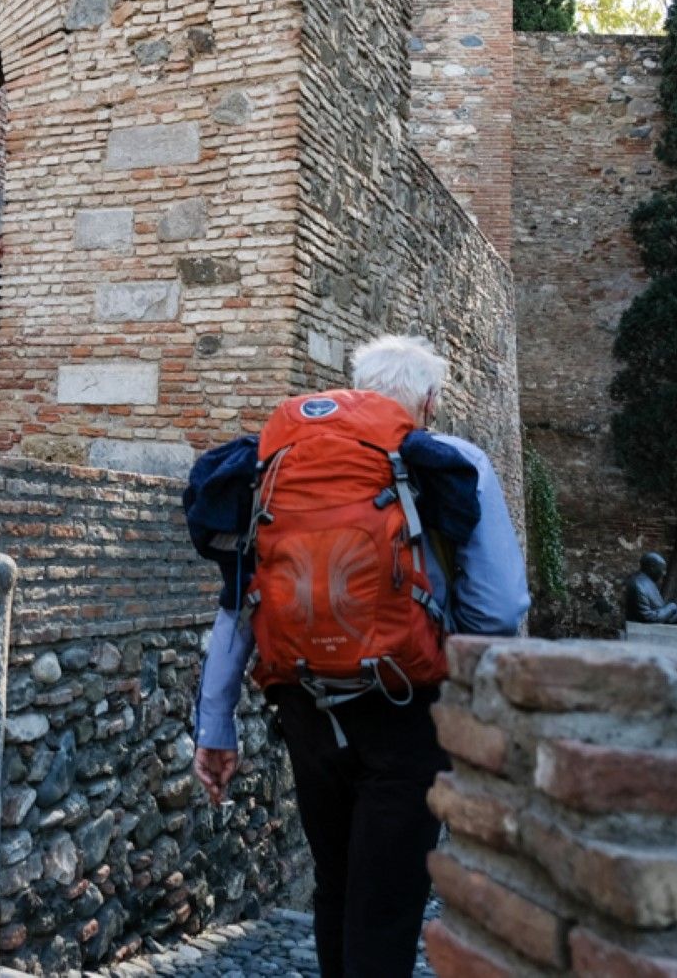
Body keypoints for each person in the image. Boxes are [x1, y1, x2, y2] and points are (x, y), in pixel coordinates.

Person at [191, 335, 529, 978]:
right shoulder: (450, 461)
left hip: (305, 704)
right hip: (408, 704)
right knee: (390, 902)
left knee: (335, 883)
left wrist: (215, 724)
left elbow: (239, 602)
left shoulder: (277, 463)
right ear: (427, 401)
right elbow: (501, 608)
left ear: (356, 386)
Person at [624, 551, 677, 624]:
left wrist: (675, 613)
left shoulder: (649, 583)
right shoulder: (638, 585)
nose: (664, 573)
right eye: (662, 569)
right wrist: (671, 608)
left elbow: (658, 609)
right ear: (652, 567)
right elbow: (647, 617)